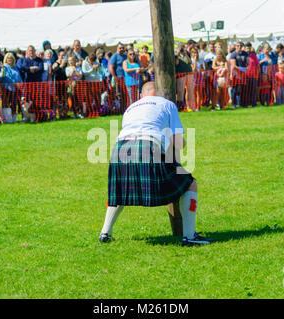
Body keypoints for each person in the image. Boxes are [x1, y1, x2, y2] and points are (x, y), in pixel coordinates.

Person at [99, 81, 214, 247]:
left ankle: (105, 233)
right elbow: (178, 142)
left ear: (141, 95)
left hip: (119, 150)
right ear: (158, 94)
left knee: (119, 190)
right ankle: (189, 237)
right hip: (148, 146)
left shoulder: (130, 108)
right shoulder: (167, 104)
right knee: (190, 184)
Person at [0, 53, 23, 122]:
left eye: (11, 58)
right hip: (6, 89)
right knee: (6, 104)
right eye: (8, 58)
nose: (9, 59)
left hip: (15, 89)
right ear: (6, 59)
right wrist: (14, 83)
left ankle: (13, 118)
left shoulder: (15, 67)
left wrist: (20, 83)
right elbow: (5, 77)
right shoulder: (4, 67)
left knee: (14, 104)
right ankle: (7, 119)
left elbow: (18, 76)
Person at [230, 41, 249, 108]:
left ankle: (243, 103)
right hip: (236, 73)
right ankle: (234, 104)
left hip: (243, 73)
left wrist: (246, 68)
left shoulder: (245, 54)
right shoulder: (233, 54)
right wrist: (241, 69)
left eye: (241, 45)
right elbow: (233, 65)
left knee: (244, 88)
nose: (239, 47)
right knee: (235, 89)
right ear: (235, 46)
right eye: (238, 45)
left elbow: (248, 63)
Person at [82, 52, 102, 117]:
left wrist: (98, 67)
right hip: (89, 82)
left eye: (93, 61)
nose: (92, 62)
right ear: (88, 59)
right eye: (91, 61)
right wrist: (92, 69)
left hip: (97, 81)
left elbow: (100, 71)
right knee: (89, 98)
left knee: (97, 97)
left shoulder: (96, 61)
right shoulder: (84, 63)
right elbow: (84, 73)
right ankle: (89, 112)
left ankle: (98, 111)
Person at [109, 43, 127, 108]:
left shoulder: (125, 56)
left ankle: (125, 106)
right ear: (117, 48)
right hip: (118, 77)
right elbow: (111, 67)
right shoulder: (114, 56)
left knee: (125, 93)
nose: (121, 49)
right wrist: (114, 76)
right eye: (120, 48)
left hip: (126, 77)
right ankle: (121, 108)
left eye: (123, 48)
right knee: (119, 93)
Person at [245, 42, 260, 107]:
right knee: (247, 90)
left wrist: (258, 73)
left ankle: (254, 103)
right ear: (245, 48)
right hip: (246, 75)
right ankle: (247, 103)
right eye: (247, 47)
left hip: (253, 75)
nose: (248, 49)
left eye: (249, 47)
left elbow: (257, 65)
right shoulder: (244, 55)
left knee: (253, 90)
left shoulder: (253, 55)